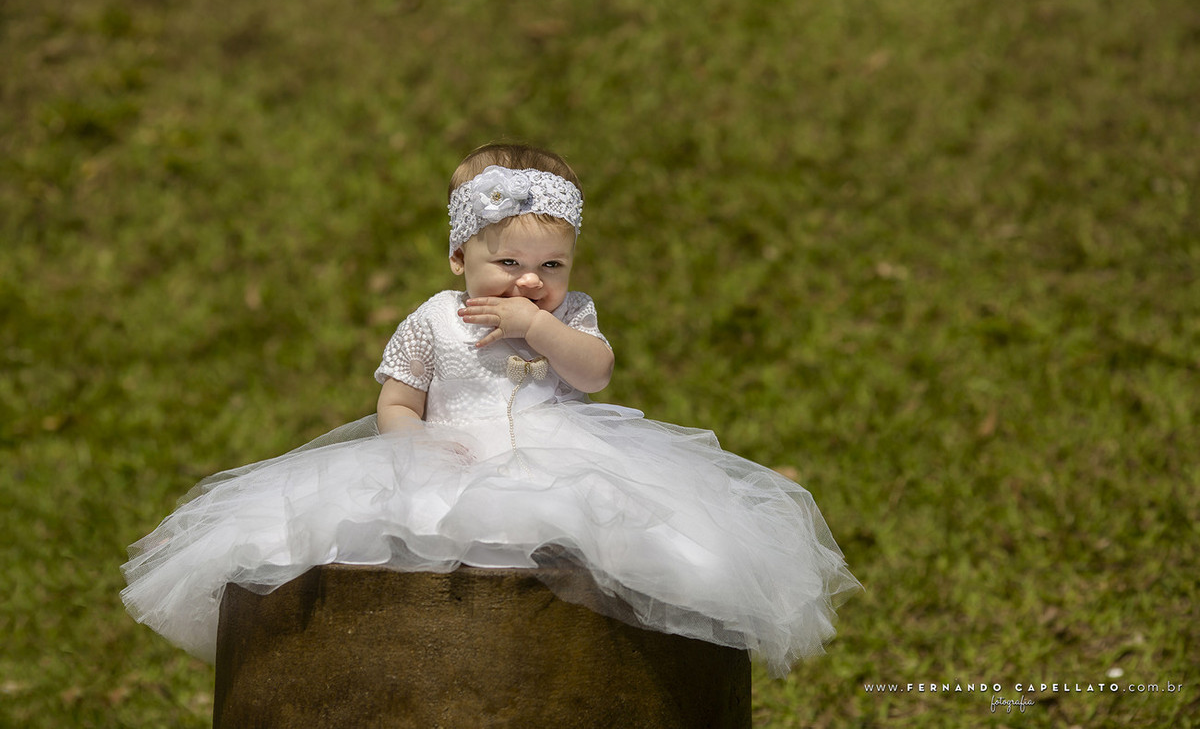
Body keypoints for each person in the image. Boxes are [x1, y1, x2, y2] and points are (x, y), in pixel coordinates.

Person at [121, 143, 860, 677]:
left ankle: (580, 657)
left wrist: (542, 329)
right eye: (509, 264)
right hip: (453, 454)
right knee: (431, 536)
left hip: (562, 453)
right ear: (458, 258)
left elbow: (596, 371)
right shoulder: (436, 319)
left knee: (622, 531)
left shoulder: (569, 314)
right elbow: (397, 399)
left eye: (552, 266)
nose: (532, 281)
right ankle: (443, 658)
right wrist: (415, 443)